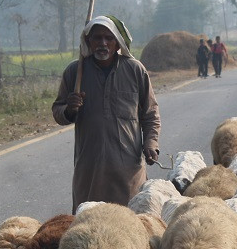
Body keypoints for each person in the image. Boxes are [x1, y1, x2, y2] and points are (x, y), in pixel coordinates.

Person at [52, 15, 161, 212]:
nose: (103, 43)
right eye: (97, 38)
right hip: (90, 169)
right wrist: (69, 109)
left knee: (133, 223)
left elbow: (150, 113)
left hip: (128, 170)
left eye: (108, 38)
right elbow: (58, 112)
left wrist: (151, 143)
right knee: (89, 224)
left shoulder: (135, 70)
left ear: (117, 43)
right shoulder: (75, 72)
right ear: (88, 42)